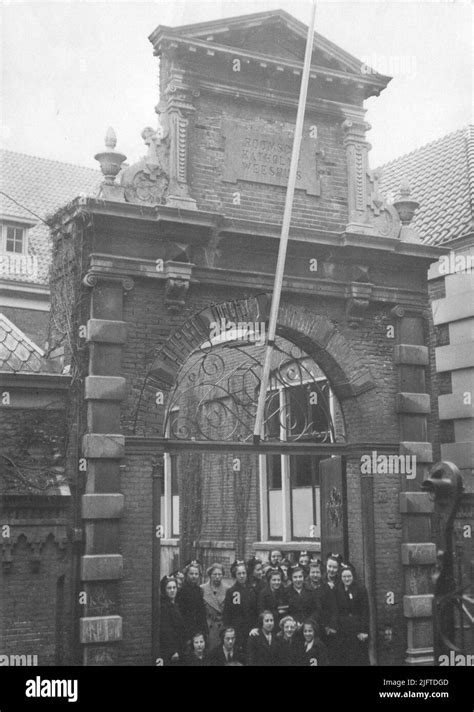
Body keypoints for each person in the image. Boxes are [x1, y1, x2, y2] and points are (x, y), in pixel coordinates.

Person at [335, 565, 370, 666]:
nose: (347, 579)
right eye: (344, 577)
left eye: (349, 576)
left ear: (353, 576)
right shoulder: (338, 590)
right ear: (341, 578)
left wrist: (363, 631)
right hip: (343, 630)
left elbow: (365, 611)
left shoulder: (360, 589)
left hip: (357, 628)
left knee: (359, 657)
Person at [223, 560, 257, 655]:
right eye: (239, 574)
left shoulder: (252, 590)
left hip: (250, 629)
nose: (242, 576)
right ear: (235, 575)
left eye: (243, 573)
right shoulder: (231, 591)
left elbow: (255, 611)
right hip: (237, 630)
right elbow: (227, 613)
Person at [177, 560, 208, 644]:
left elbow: (201, 612)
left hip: (198, 629)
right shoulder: (182, 591)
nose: (194, 576)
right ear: (187, 574)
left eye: (196, 574)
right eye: (191, 574)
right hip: (187, 630)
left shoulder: (199, 590)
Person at [319, 554, 342, 664]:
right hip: (323, 623)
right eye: (329, 566)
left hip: (337, 623)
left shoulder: (341, 583)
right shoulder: (320, 580)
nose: (331, 570)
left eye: (334, 567)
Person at [159, 575, 186, 665]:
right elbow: (166, 631)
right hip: (171, 651)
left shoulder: (176, 604)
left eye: (174, 587)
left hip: (179, 646)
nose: (172, 590)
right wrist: (173, 651)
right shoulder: (164, 607)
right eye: (169, 588)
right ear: (164, 590)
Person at [200, 562, 228, 650]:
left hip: (222, 626)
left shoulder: (228, 589)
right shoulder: (202, 589)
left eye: (220, 574)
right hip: (208, 627)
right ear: (210, 575)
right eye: (214, 574)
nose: (217, 577)